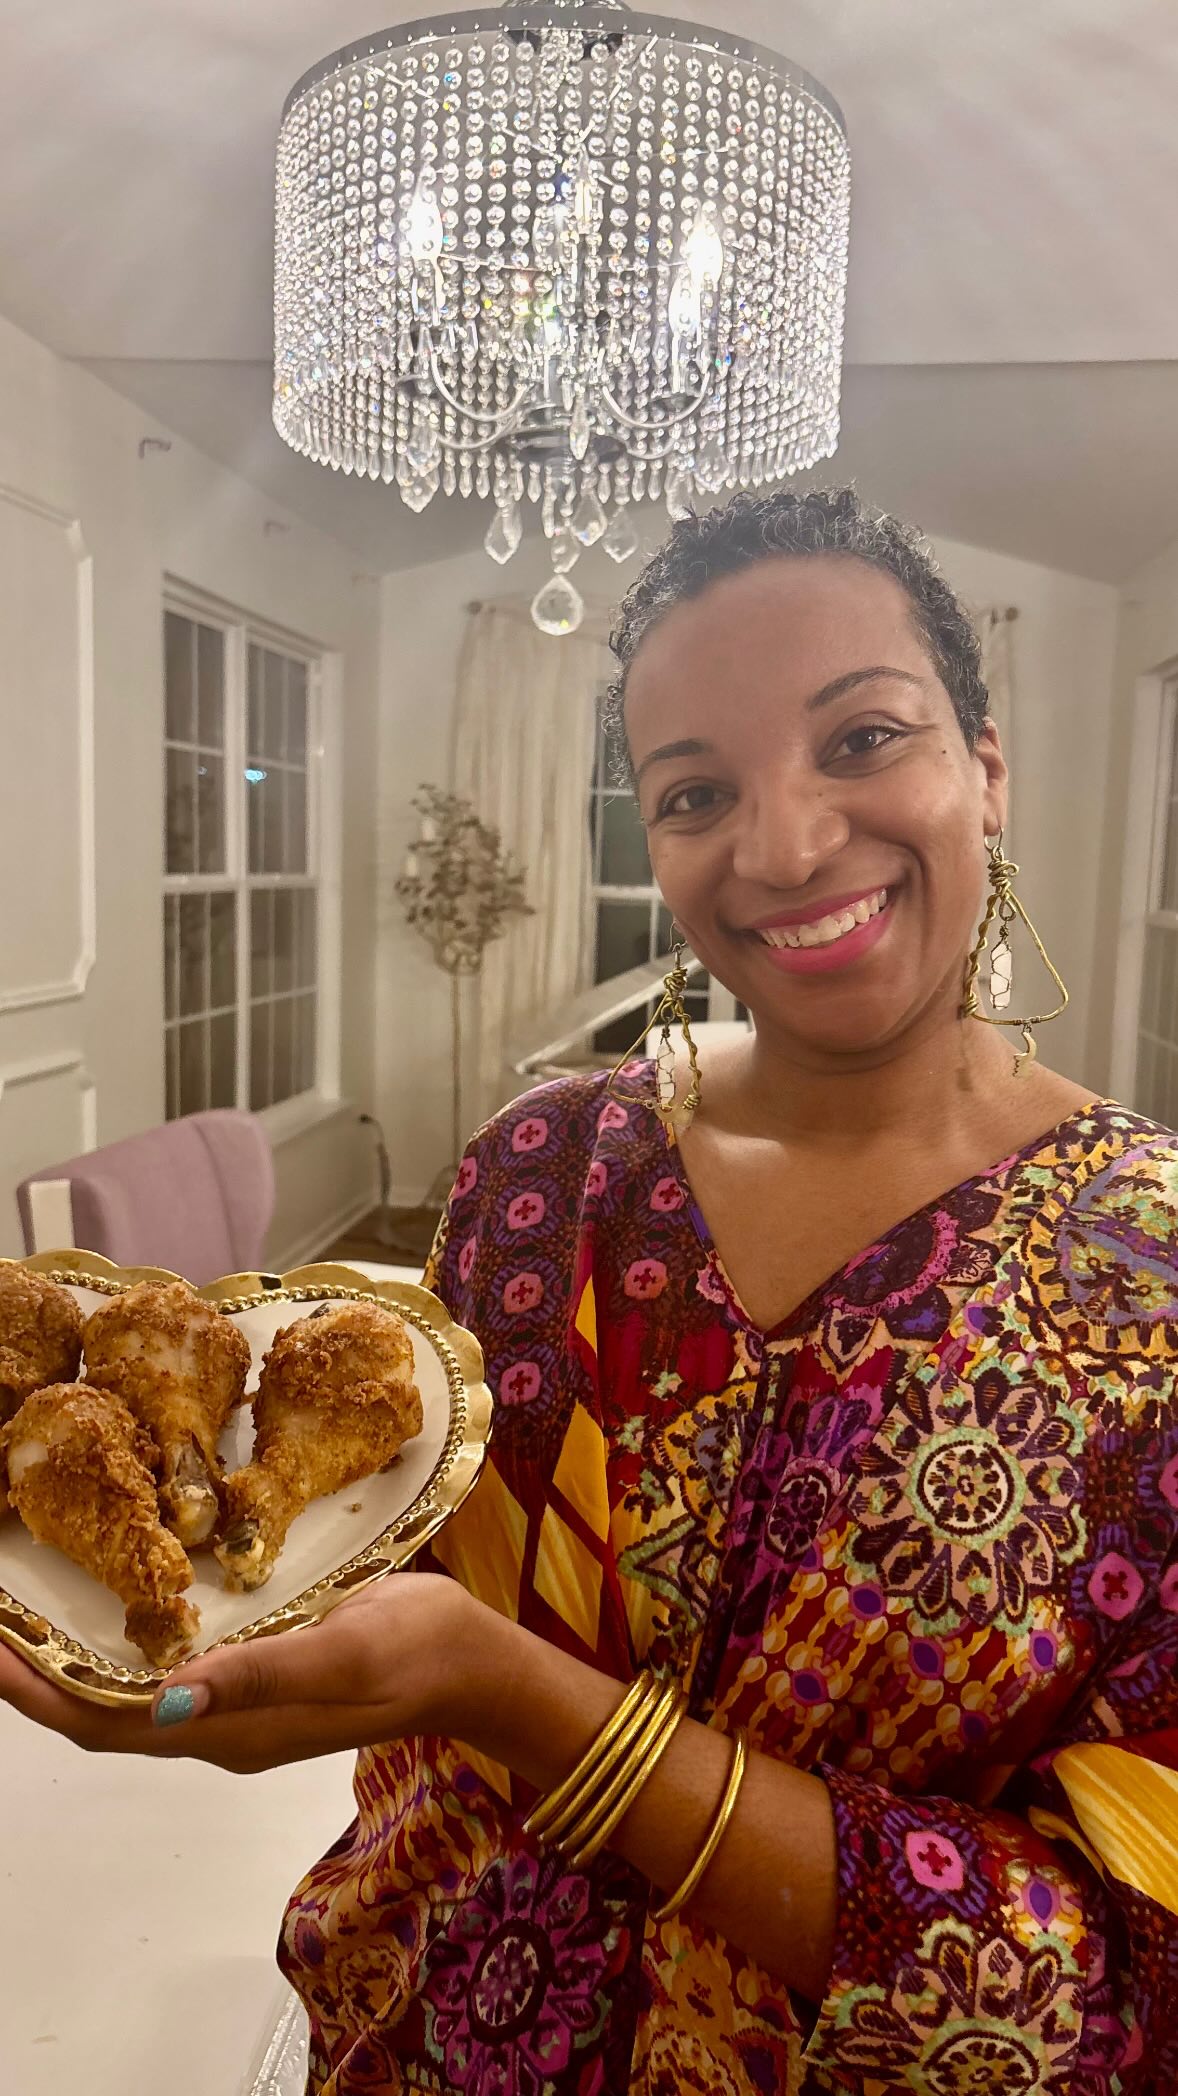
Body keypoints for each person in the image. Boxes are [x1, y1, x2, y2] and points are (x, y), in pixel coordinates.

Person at [3, 487, 1176, 2095]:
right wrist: (179, 1604)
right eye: (695, 792)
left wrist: (531, 1708)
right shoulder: (540, 1171)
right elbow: (381, 1562)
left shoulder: (1146, 1285)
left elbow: (1125, 1981)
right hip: (409, 2020)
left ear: (984, 766)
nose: (782, 846)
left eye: (859, 739)